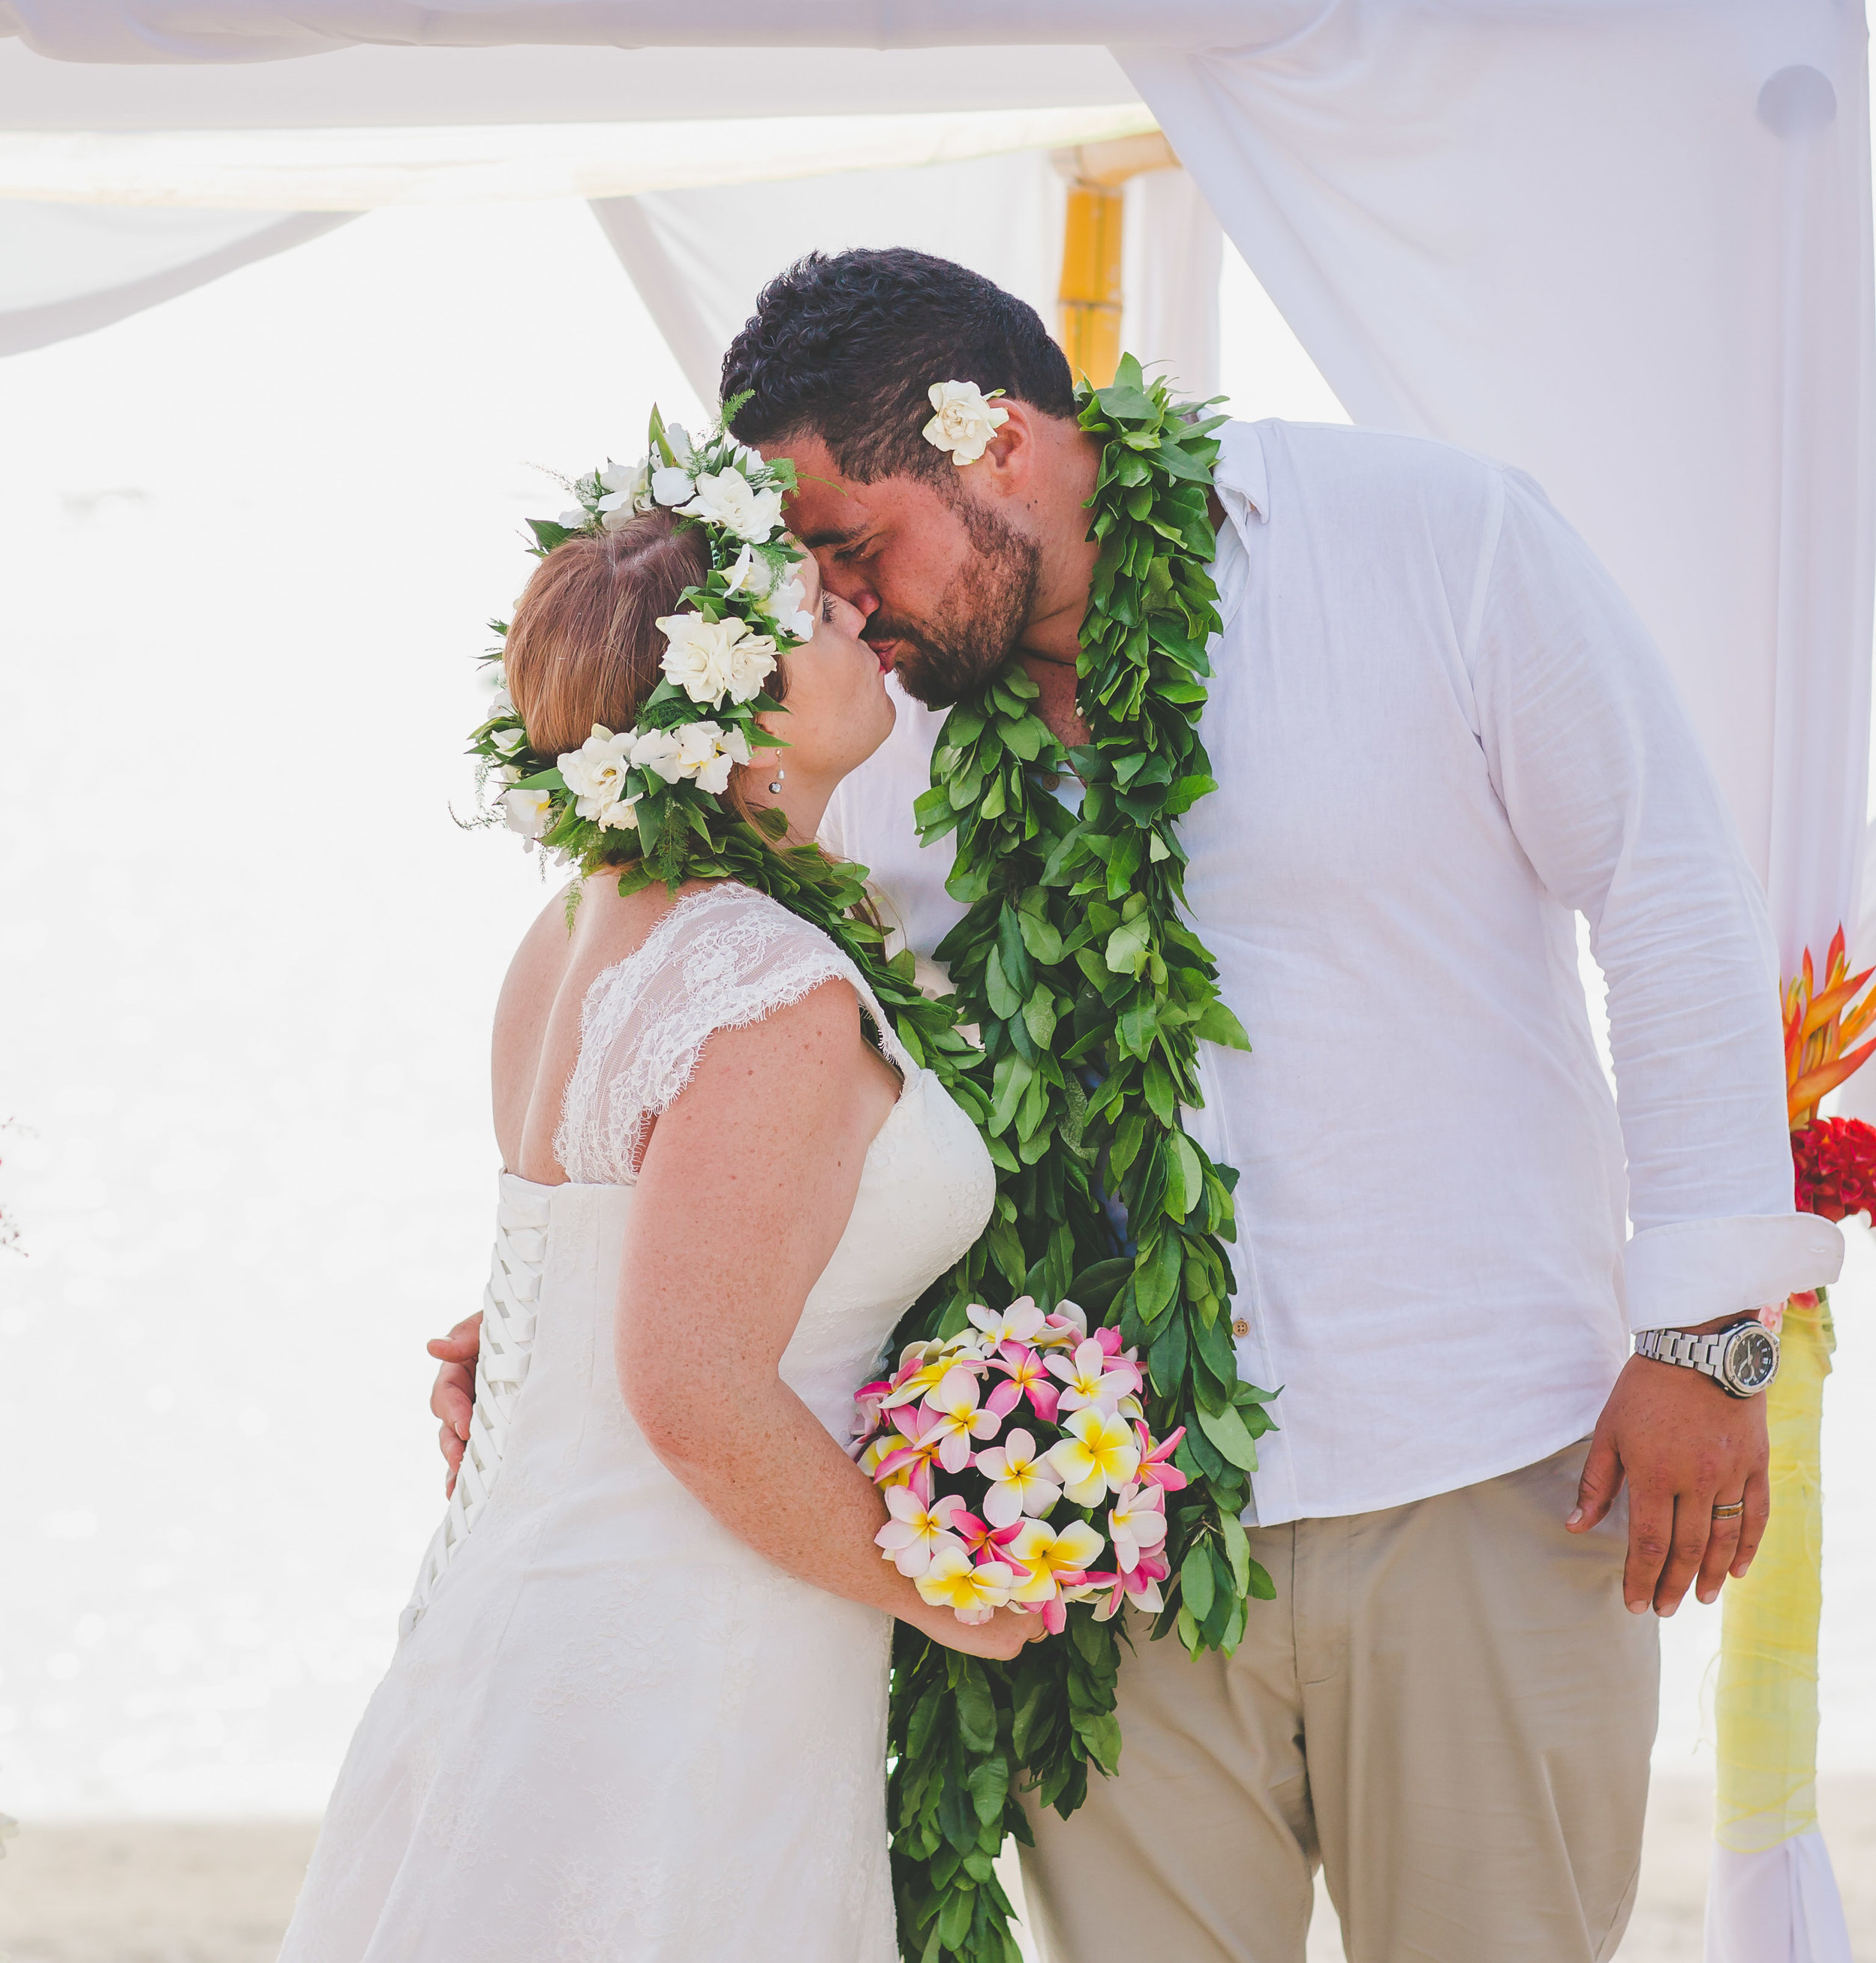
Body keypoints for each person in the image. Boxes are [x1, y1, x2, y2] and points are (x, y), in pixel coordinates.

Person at [430, 250, 1844, 1963]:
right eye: (805, 572)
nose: (838, 606)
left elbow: (1670, 894)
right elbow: (742, 1051)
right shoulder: (859, 729)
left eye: (853, 547)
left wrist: (1702, 1331)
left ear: (997, 439)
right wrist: (588, 1303)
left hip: (1485, 1458)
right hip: (1090, 1532)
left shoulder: (1437, 542)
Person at [283, 501, 1031, 1963]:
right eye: (819, 621)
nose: (862, 628)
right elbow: (690, 1387)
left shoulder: (576, 928)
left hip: (525, 1618)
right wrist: (944, 1593)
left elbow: (586, 1276)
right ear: (743, 714)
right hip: (685, 1671)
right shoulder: (770, 988)